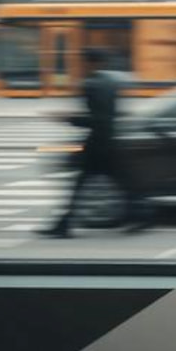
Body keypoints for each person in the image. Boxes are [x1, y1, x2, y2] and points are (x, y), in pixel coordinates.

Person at [38, 49, 148, 238]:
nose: (80, 65)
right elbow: (110, 115)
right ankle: (141, 215)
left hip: (97, 145)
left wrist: (68, 118)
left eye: (83, 61)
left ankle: (63, 225)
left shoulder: (91, 84)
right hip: (109, 141)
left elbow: (97, 119)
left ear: (90, 63)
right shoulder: (111, 82)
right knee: (123, 183)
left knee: (81, 185)